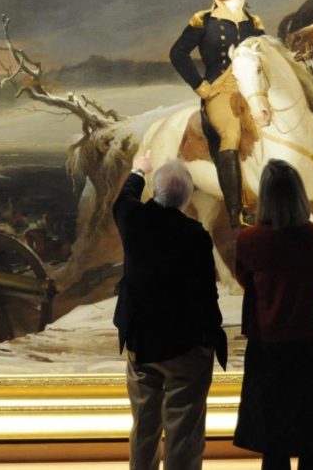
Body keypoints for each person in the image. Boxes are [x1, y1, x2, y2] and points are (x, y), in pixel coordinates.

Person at [113, 150, 228, 470]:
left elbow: (125, 197)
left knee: (144, 428)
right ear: (188, 196)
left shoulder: (132, 220)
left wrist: (138, 170)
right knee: (183, 433)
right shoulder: (195, 235)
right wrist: (209, 339)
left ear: (156, 190)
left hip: (142, 342)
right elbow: (207, 293)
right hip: (186, 346)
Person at [233, 159, 313, 470]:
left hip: (269, 347)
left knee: (274, 446)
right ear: (299, 194)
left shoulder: (248, 240)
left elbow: (245, 280)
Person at [170, 0, 264, 228]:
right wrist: (201, 86)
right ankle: (238, 211)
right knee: (231, 133)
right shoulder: (204, 19)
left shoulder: (253, 22)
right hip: (219, 90)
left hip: (252, 89)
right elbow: (177, 53)